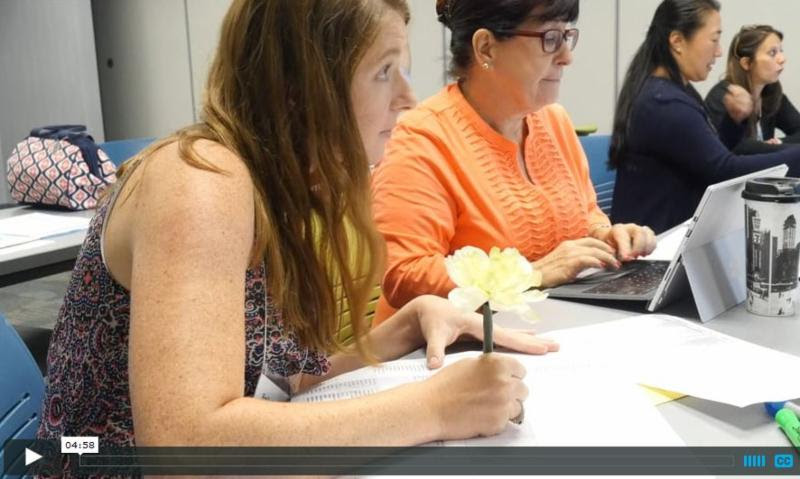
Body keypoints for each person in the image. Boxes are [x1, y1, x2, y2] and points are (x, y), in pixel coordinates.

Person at [37, 0, 560, 474]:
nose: (407, 96)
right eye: (384, 72)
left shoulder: (276, 185)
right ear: (299, 89)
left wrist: (401, 329)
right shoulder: (201, 183)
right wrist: (433, 408)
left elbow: (271, 378)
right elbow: (183, 449)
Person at [370, 0, 656, 324]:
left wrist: (607, 238)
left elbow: (585, 213)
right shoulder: (421, 139)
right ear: (486, 48)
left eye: (567, 36)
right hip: (442, 353)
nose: (567, 56)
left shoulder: (554, 121)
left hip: (543, 330)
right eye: (550, 38)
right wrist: (528, 275)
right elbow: (404, 275)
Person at [609, 0, 800, 234]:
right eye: (714, 39)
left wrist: (733, 123)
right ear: (677, 41)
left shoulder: (674, 92)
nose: (719, 51)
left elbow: (709, 158)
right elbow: (724, 172)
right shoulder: (664, 103)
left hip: (675, 238)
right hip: (656, 250)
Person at [705, 24, 800, 154]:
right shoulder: (723, 96)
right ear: (746, 63)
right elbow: (737, 147)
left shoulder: (772, 93)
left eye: (780, 51)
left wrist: (779, 142)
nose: (782, 59)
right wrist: (774, 149)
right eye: (772, 53)